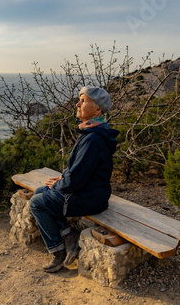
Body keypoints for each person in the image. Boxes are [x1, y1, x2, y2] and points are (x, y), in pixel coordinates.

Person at [29, 86, 119, 272]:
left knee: (37, 202)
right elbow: (81, 170)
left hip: (88, 198)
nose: (77, 104)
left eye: (83, 100)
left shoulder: (93, 139)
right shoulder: (93, 132)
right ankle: (68, 237)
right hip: (92, 193)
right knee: (41, 191)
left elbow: (76, 180)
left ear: (97, 110)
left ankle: (58, 251)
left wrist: (60, 183)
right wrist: (63, 178)